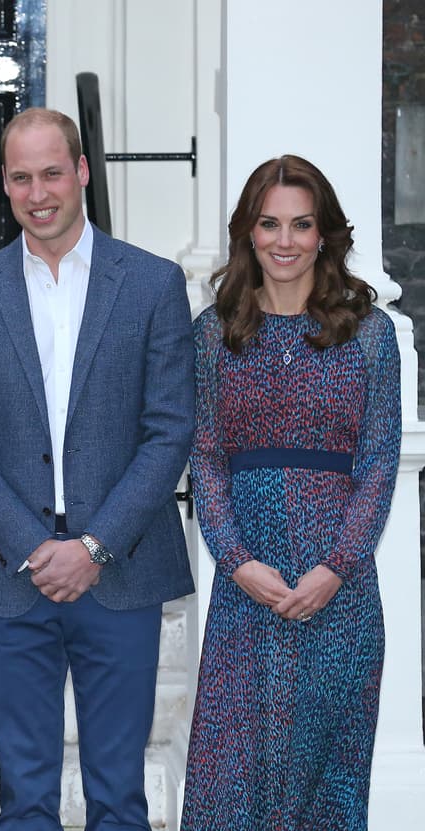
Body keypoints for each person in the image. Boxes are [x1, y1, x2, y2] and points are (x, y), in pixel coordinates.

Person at [0, 107, 196, 831]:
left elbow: (169, 429)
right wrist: (32, 545)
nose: (38, 191)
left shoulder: (151, 283)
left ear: (82, 171)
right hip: (9, 571)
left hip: (123, 569)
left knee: (118, 799)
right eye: (21, 177)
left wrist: (93, 546)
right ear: (5, 185)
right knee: (24, 800)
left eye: (52, 172)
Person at [180, 155, 400, 831]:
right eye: (269, 223)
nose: (284, 240)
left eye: (301, 224)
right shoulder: (214, 333)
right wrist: (237, 561)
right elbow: (206, 457)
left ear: (324, 233)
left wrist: (336, 567)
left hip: (341, 592)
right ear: (247, 231)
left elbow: (380, 461)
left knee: (326, 784)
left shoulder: (369, 334)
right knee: (233, 781)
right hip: (246, 588)